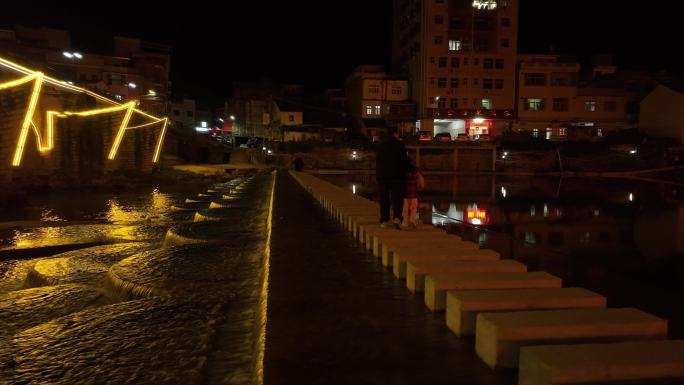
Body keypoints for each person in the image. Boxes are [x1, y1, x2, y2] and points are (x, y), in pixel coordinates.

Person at [375, 126, 410, 229]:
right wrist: (412, 171)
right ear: (396, 133)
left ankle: (384, 220)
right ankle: (397, 218)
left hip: (383, 176)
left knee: (384, 198)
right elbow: (404, 160)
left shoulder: (380, 144)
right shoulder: (400, 144)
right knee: (397, 198)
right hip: (397, 176)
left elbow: (378, 160)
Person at [402, 160, 423, 229]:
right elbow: (421, 182)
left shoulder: (403, 171)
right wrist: (420, 188)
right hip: (414, 194)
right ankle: (412, 221)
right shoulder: (417, 171)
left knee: (405, 209)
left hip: (405, 193)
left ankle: (405, 222)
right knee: (413, 209)